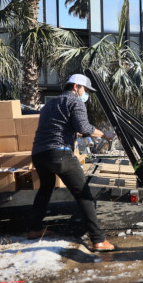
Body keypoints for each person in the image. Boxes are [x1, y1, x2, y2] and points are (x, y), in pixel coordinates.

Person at [30, 74, 117, 252]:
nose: (86, 94)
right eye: (85, 90)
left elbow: (59, 127)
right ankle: (98, 240)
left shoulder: (49, 104)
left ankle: (34, 229)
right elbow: (84, 127)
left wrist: (75, 134)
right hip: (60, 154)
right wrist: (104, 134)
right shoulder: (76, 101)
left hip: (39, 153)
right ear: (76, 87)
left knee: (45, 189)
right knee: (83, 194)